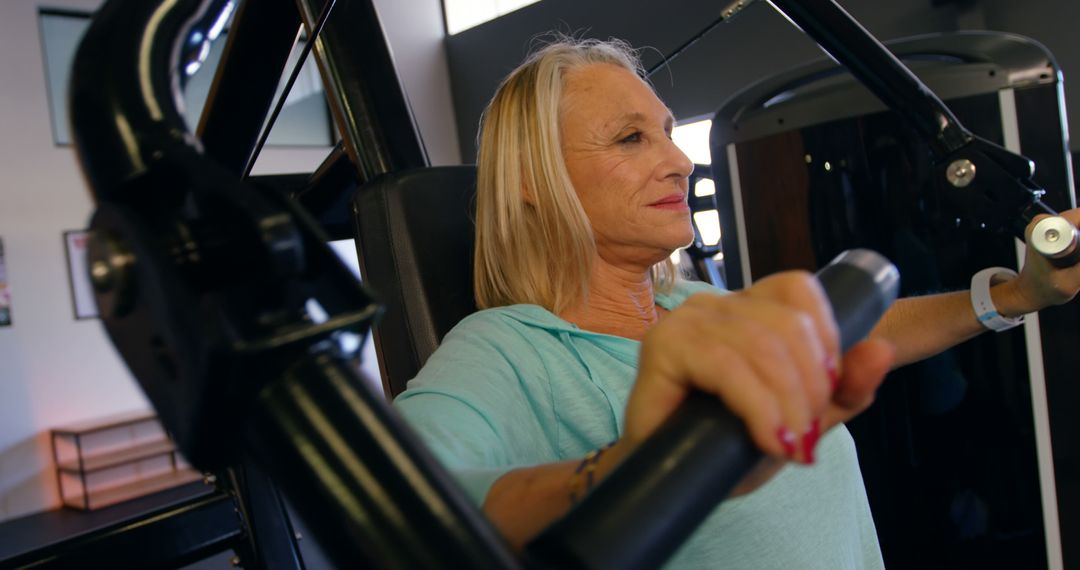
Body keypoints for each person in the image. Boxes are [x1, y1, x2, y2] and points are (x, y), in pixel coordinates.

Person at [394, 37, 1080, 568]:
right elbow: (407, 506)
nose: (679, 159)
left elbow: (861, 331)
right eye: (632, 137)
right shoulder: (507, 349)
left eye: (667, 130)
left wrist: (1015, 294)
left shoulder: (693, 305)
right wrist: (649, 464)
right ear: (531, 182)